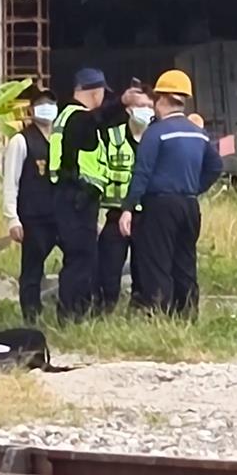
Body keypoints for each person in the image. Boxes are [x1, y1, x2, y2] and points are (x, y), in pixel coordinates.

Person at [118, 70, 223, 318]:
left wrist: (128, 208)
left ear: (162, 98)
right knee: (185, 262)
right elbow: (215, 166)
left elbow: (142, 172)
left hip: (161, 206)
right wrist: (194, 188)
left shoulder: (156, 132)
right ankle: (187, 314)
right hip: (189, 206)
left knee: (158, 262)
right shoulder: (198, 133)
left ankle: (160, 314)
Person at [48, 68, 138, 323]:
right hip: (77, 198)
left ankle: (73, 312)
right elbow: (97, 119)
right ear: (95, 92)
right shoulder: (78, 118)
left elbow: (100, 122)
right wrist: (121, 102)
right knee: (81, 258)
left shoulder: (66, 116)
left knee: (80, 257)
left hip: (70, 197)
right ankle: (72, 315)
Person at [94, 88, 155, 313]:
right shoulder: (112, 136)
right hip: (116, 212)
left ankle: (139, 309)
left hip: (147, 214)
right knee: (108, 268)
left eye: (149, 106)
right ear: (129, 110)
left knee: (144, 269)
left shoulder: (156, 138)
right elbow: (99, 171)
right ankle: (105, 308)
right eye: (140, 106)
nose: (145, 111)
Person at [3, 87, 59, 325]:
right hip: (33, 216)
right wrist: (12, 218)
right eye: (42, 104)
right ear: (31, 110)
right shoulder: (21, 141)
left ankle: (70, 310)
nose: (47, 109)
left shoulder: (59, 140)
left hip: (59, 215)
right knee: (32, 269)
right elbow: (10, 181)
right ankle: (31, 317)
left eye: (51, 104)